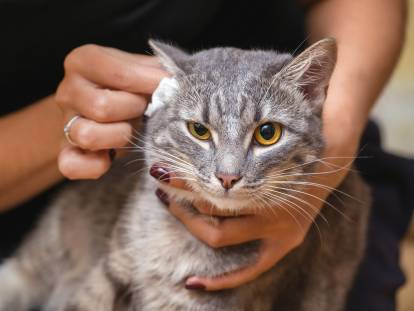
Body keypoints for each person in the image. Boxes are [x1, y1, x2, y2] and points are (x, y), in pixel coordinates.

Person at [0, 1, 411, 310]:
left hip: (323, 133)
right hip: (64, 175)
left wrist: (331, 150)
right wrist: (70, 123)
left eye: (264, 134)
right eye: (202, 130)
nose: (228, 173)